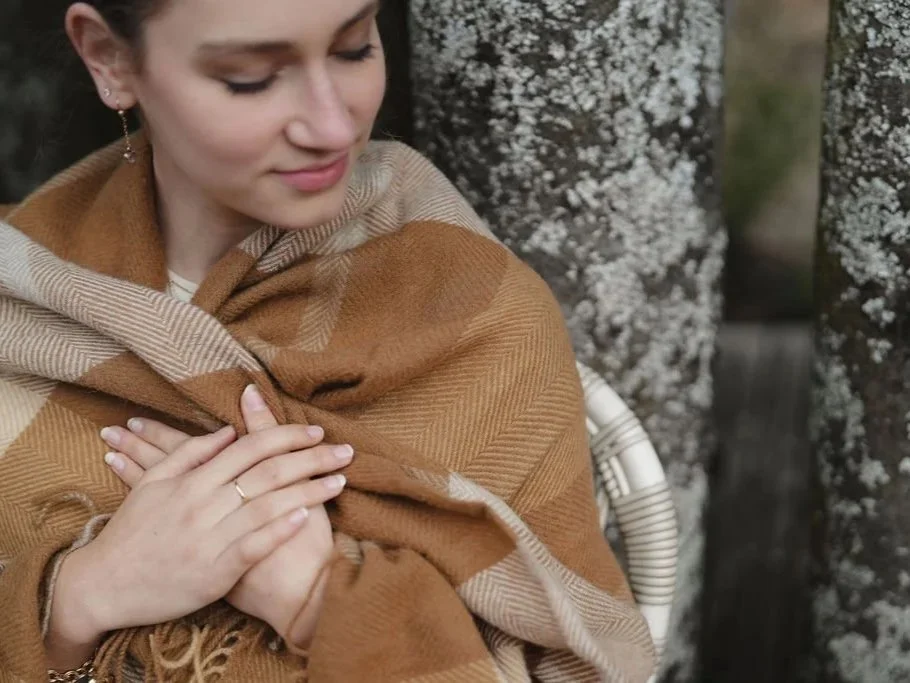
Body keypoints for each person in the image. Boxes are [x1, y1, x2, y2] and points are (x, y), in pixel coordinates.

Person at [0, 0, 656, 681]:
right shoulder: (19, 298)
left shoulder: (484, 321)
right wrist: (76, 600)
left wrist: (320, 598)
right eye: (250, 77)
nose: (333, 124)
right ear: (109, 58)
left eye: (352, 49)